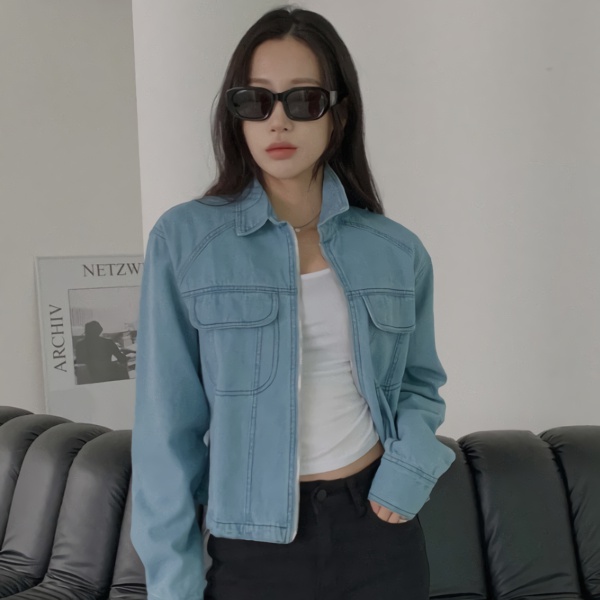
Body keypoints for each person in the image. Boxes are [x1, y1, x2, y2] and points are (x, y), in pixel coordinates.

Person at [131, 6, 456, 600]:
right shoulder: (185, 241)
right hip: (253, 545)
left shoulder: (395, 249)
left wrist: (409, 471)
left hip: (378, 527)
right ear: (236, 115)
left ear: (339, 114)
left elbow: (418, 383)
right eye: (255, 101)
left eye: (303, 100)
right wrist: (172, 585)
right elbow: (165, 430)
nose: (277, 121)